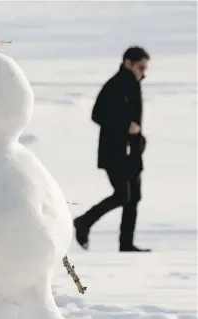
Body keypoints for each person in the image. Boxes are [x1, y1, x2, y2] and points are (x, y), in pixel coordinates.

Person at [74, 46, 151, 252]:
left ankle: (126, 243)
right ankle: (83, 222)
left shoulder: (132, 84)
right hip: (115, 152)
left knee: (133, 196)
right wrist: (126, 125)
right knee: (122, 195)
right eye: (141, 66)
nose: (144, 72)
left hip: (131, 152)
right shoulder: (117, 84)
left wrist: (138, 140)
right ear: (128, 63)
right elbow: (98, 114)